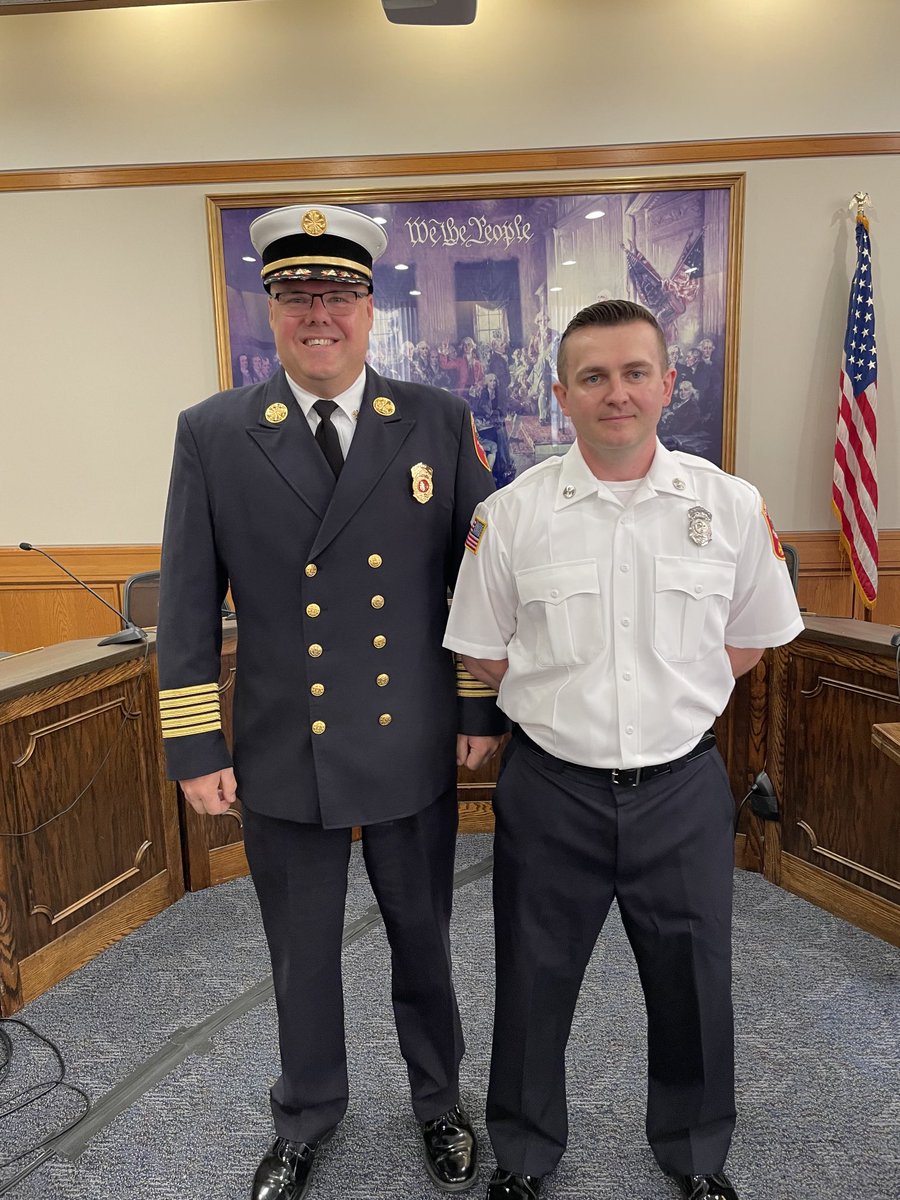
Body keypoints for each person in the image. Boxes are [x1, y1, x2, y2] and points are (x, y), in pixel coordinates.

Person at [156, 203, 505, 1200]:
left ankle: (439, 1102)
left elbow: (475, 580)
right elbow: (185, 605)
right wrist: (195, 745)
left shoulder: (433, 418)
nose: (320, 311)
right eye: (298, 293)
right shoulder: (214, 432)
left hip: (409, 739)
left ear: (368, 307)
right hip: (279, 746)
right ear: (270, 306)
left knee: (422, 941)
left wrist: (478, 709)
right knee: (300, 953)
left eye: (338, 292)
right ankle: (307, 1115)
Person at [443, 299, 803, 1200]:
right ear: (561, 392)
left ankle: (694, 1153)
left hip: (680, 787)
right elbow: (483, 646)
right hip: (551, 787)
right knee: (531, 981)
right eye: (594, 376)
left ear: (667, 384)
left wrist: (681, 695)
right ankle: (524, 1158)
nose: (617, 393)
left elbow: (754, 633)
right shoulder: (511, 515)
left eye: (635, 372)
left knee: (693, 981)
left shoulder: (727, 506)